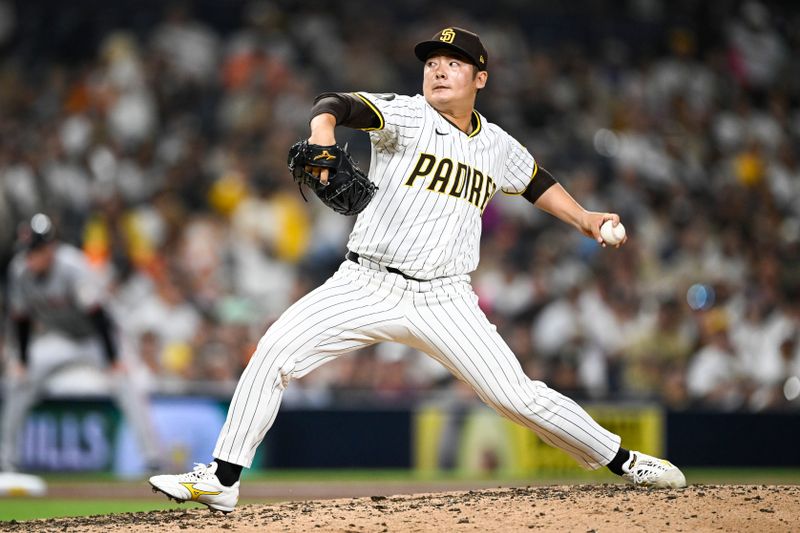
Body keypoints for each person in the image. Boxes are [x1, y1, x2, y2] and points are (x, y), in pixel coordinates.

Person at [149, 27, 686, 513]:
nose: (438, 68)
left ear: (480, 77)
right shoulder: (407, 115)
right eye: (432, 61)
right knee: (272, 353)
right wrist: (322, 134)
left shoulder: (496, 145)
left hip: (445, 300)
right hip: (366, 283)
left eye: (453, 62)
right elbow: (334, 103)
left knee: (517, 397)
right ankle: (222, 478)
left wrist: (585, 217)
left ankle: (624, 461)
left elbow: (536, 181)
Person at [1, 213, 161, 472]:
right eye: (28, 251)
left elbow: (99, 316)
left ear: (51, 247)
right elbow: (21, 319)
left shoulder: (73, 266)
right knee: (18, 380)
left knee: (127, 383)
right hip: (59, 338)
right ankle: (5, 459)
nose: (32, 257)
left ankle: (152, 458)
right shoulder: (19, 270)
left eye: (37, 250)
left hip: (97, 338)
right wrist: (21, 361)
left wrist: (114, 359)